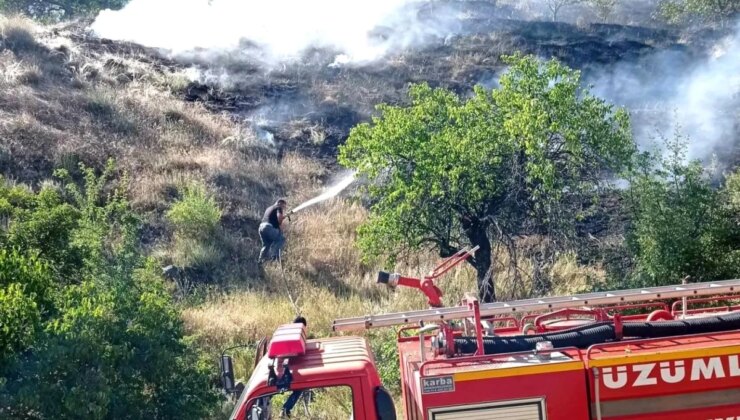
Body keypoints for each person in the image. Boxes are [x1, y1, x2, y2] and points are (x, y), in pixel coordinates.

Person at [258, 199, 288, 264]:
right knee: (281, 239)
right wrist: (281, 219)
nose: (283, 208)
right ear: (279, 203)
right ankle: (275, 257)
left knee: (266, 244)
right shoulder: (278, 207)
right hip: (268, 227)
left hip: (261, 227)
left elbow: (273, 219)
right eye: (283, 206)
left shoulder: (269, 208)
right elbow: (279, 218)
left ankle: (260, 261)